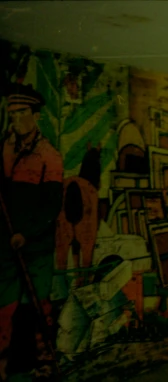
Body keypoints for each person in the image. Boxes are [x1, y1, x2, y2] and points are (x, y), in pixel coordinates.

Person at [0, 83, 64, 378]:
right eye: (12, 114)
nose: (16, 120)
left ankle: (44, 360)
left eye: (22, 113)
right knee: (5, 306)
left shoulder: (48, 156)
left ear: (36, 115)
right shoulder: (4, 149)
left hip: (35, 247)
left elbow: (51, 207)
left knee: (38, 306)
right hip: (5, 245)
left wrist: (27, 233)